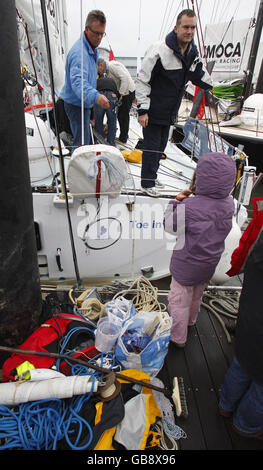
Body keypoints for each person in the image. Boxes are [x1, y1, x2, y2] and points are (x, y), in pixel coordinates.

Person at [136, 9, 213, 197]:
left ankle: (152, 177)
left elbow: (199, 75)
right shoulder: (159, 50)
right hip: (153, 111)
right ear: (176, 28)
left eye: (193, 27)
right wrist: (142, 110)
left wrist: (213, 86)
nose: (189, 31)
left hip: (169, 112)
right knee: (152, 147)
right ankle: (147, 183)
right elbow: (143, 80)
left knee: (161, 147)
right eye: (186, 27)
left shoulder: (191, 52)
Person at [163, 152, 236, 347]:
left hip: (186, 266)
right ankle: (191, 321)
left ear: (200, 177)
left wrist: (176, 201)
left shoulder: (189, 206)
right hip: (208, 265)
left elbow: (169, 226)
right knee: (196, 295)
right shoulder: (229, 204)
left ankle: (178, 338)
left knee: (179, 301)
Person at [218, 231, 263, 440]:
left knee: (242, 362)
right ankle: (246, 424)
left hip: (251, 316)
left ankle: (225, 404)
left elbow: (247, 252)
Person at [60, 10, 109, 151]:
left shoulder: (93, 49)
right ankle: (79, 171)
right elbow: (78, 83)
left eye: (102, 34)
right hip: (76, 104)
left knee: (85, 141)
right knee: (82, 145)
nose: (99, 38)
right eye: (96, 33)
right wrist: (96, 96)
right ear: (87, 29)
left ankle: (82, 166)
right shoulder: (79, 54)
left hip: (84, 104)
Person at [97, 58, 135, 144]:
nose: (98, 72)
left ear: (101, 65)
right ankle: (122, 136)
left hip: (127, 91)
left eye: (98, 69)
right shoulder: (106, 73)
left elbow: (125, 78)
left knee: (123, 115)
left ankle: (123, 138)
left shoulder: (112, 66)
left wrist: (121, 94)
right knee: (117, 113)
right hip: (121, 92)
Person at [93, 64, 119, 146]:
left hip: (99, 95)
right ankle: (111, 143)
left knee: (98, 121)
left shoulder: (97, 81)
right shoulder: (112, 80)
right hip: (112, 96)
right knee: (112, 121)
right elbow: (117, 95)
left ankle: (99, 141)